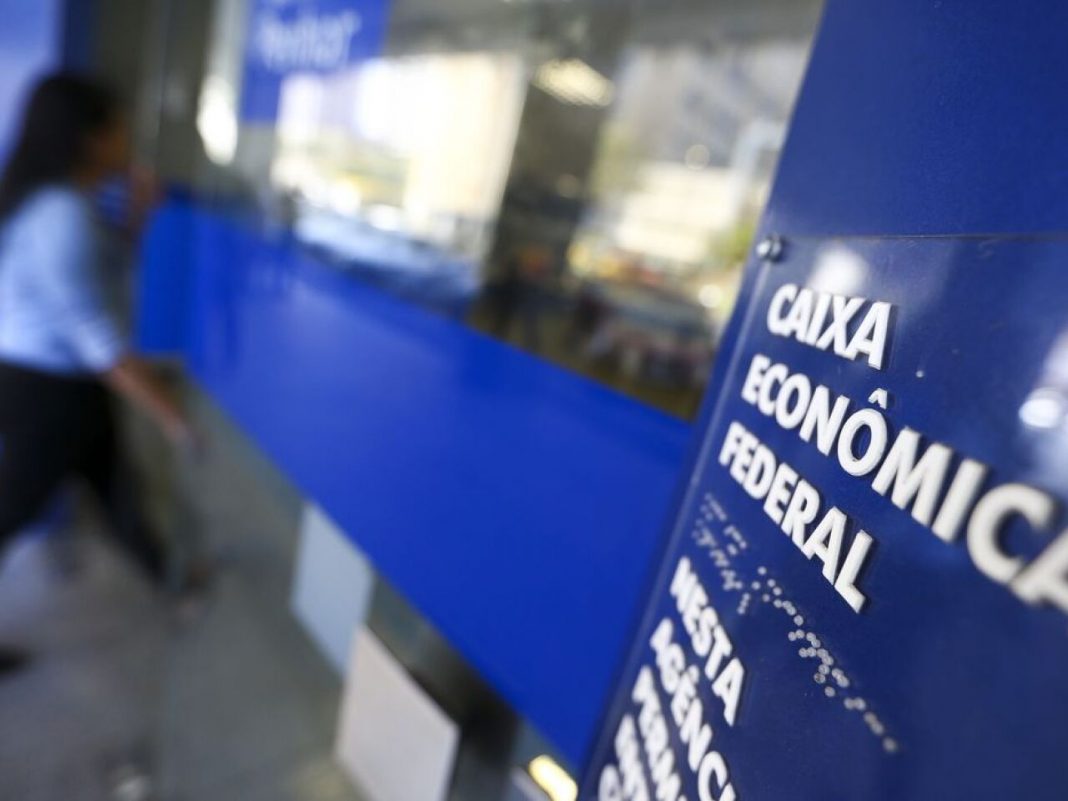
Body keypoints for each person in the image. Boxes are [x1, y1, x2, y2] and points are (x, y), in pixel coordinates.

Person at [0, 74, 194, 676]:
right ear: (90, 138)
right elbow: (99, 340)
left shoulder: (63, 204)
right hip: (45, 389)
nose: (128, 137)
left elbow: (102, 276)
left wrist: (137, 218)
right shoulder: (60, 213)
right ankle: (174, 583)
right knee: (14, 509)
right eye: (119, 126)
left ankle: (173, 582)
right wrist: (171, 415)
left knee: (114, 487)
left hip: (51, 381)